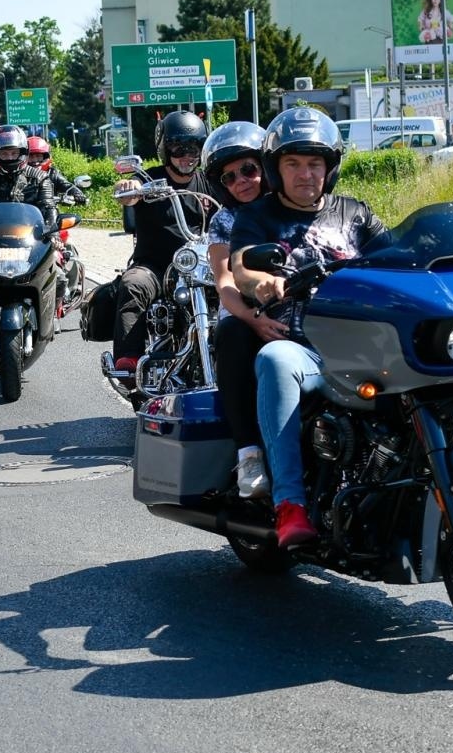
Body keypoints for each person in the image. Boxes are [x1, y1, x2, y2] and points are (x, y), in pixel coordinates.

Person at [231, 107, 387, 549]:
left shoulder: (356, 214)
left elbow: (398, 258)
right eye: (293, 164)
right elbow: (242, 266)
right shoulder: (258, 217)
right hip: (305, 347)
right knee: (276, 360)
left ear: (330, 167)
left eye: (314, 163)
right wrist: (265, 283)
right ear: (276, 170)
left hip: (367, 345)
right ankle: (290, 505)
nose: (305, 174)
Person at [202, 121, 285, 499]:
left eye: (249, 169)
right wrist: (254, 320)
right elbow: (224, 283)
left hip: (296, 306)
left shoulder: (290, 207)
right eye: (231, 177)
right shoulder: (224, 221)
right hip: (244, 312)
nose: (242, 181)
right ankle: (249, 452)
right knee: (231, 336)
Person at [109, 111, 220, 374]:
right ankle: (128, 361)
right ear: (164, 149)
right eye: (179, 148)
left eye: (194, 148)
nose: (187, 156)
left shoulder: (210, 182)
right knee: (133, 284)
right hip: (156, 267)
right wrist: (128, 189)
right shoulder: (149, 179)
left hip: (203, 268)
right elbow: (129, 190)